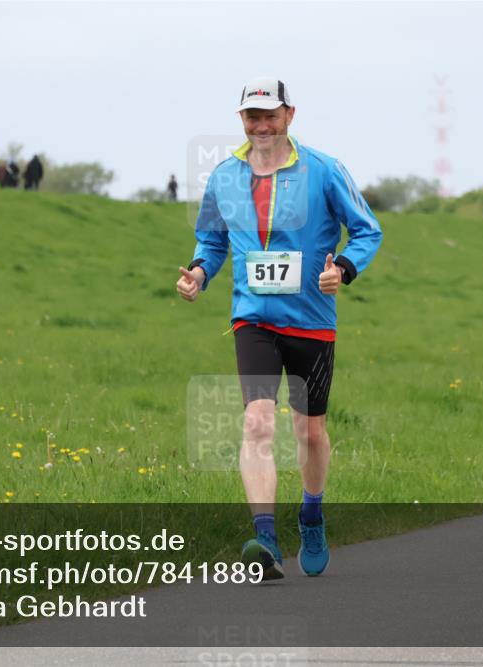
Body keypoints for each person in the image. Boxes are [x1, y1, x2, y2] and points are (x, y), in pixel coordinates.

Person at [176, 77, 382, 580]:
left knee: (309, 432)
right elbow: (212, 241)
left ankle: (311, 513)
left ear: (290, 115)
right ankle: (265, 540)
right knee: (257, 423)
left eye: (270, 115)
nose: (262, 125)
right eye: (252, 116)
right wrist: (199, 273)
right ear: (241, 120)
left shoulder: (324, 170)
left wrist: (344, 270)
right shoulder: (225, 176)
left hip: (312, 321)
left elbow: (366, 230)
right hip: (254, 320)